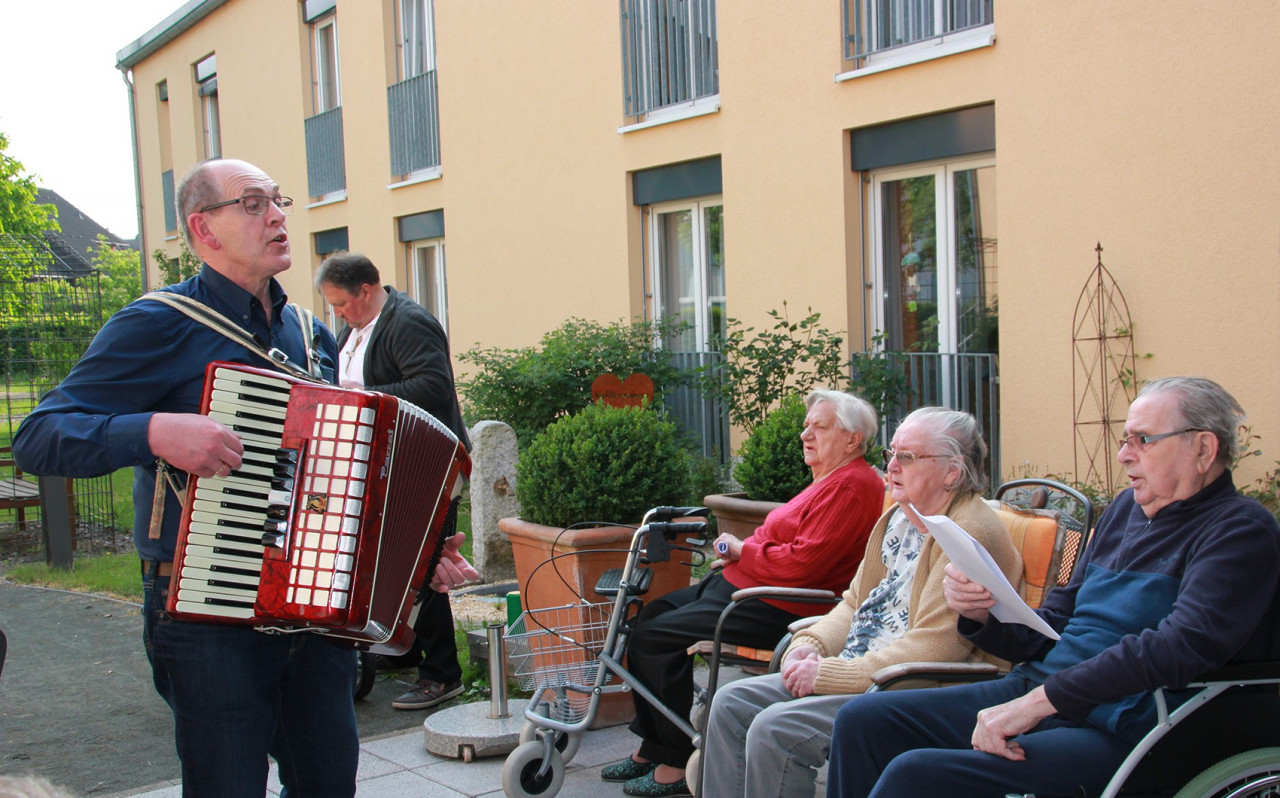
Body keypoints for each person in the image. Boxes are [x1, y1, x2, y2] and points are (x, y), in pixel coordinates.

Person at [11, 159, 476, 798]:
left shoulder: (310, 335)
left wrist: (416, 552)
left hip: (312, 619)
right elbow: (37, 437)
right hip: (207, 619)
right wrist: (153, 432)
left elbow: (329, 480)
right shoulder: (158, 322)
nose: (278, 215)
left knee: (328, 787)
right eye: (253, 204)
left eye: (277, 200)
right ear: (204, 228)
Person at [825, 377, 1280, 798]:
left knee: (917, 774)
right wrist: (980, 616)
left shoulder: (1240, 531)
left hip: (1133, 724)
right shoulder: (1125, 511)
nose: (1124, 454)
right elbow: (1056, 621)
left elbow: (1177, 648)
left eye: (1142, 440)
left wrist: (1039, 704)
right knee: (863, 721)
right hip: (1051, 691)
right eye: (1126, 439)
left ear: (1203, 448)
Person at [701, 407, 1021, 798]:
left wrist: (826, 674)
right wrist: (810, 645)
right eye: (891, 453)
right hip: (862, 668)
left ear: (952, 472)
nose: (891, 466)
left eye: (907, 457)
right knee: (731, 700)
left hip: (916, 686)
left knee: (775, 728)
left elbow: (936, 647)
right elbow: (854, 603)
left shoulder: (967, 533)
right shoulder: (899, 519)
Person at [602, 389, 887, 798]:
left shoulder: (852, 485)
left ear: (852, 439)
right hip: (746, 586)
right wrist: (736, 558)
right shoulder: (830, 479)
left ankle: (677, 761)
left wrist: (741, 551)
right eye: (806, 426)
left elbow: (803, 565)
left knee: (655, 639)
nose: (806, 434)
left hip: (778, 604)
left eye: (818, 427)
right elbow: (786, 543)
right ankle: (655, 746)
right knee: (648, 618)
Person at [316, 251, 472, 711]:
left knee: (425, 565)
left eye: (342, 304)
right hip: (386, 466)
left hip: (429, 468)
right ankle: (407, 647)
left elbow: (432, 385)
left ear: (366, 290)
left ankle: (444, 674)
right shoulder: (356, 327)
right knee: (392, 561)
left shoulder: (408, 322)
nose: (337, 314)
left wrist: (356, 399)